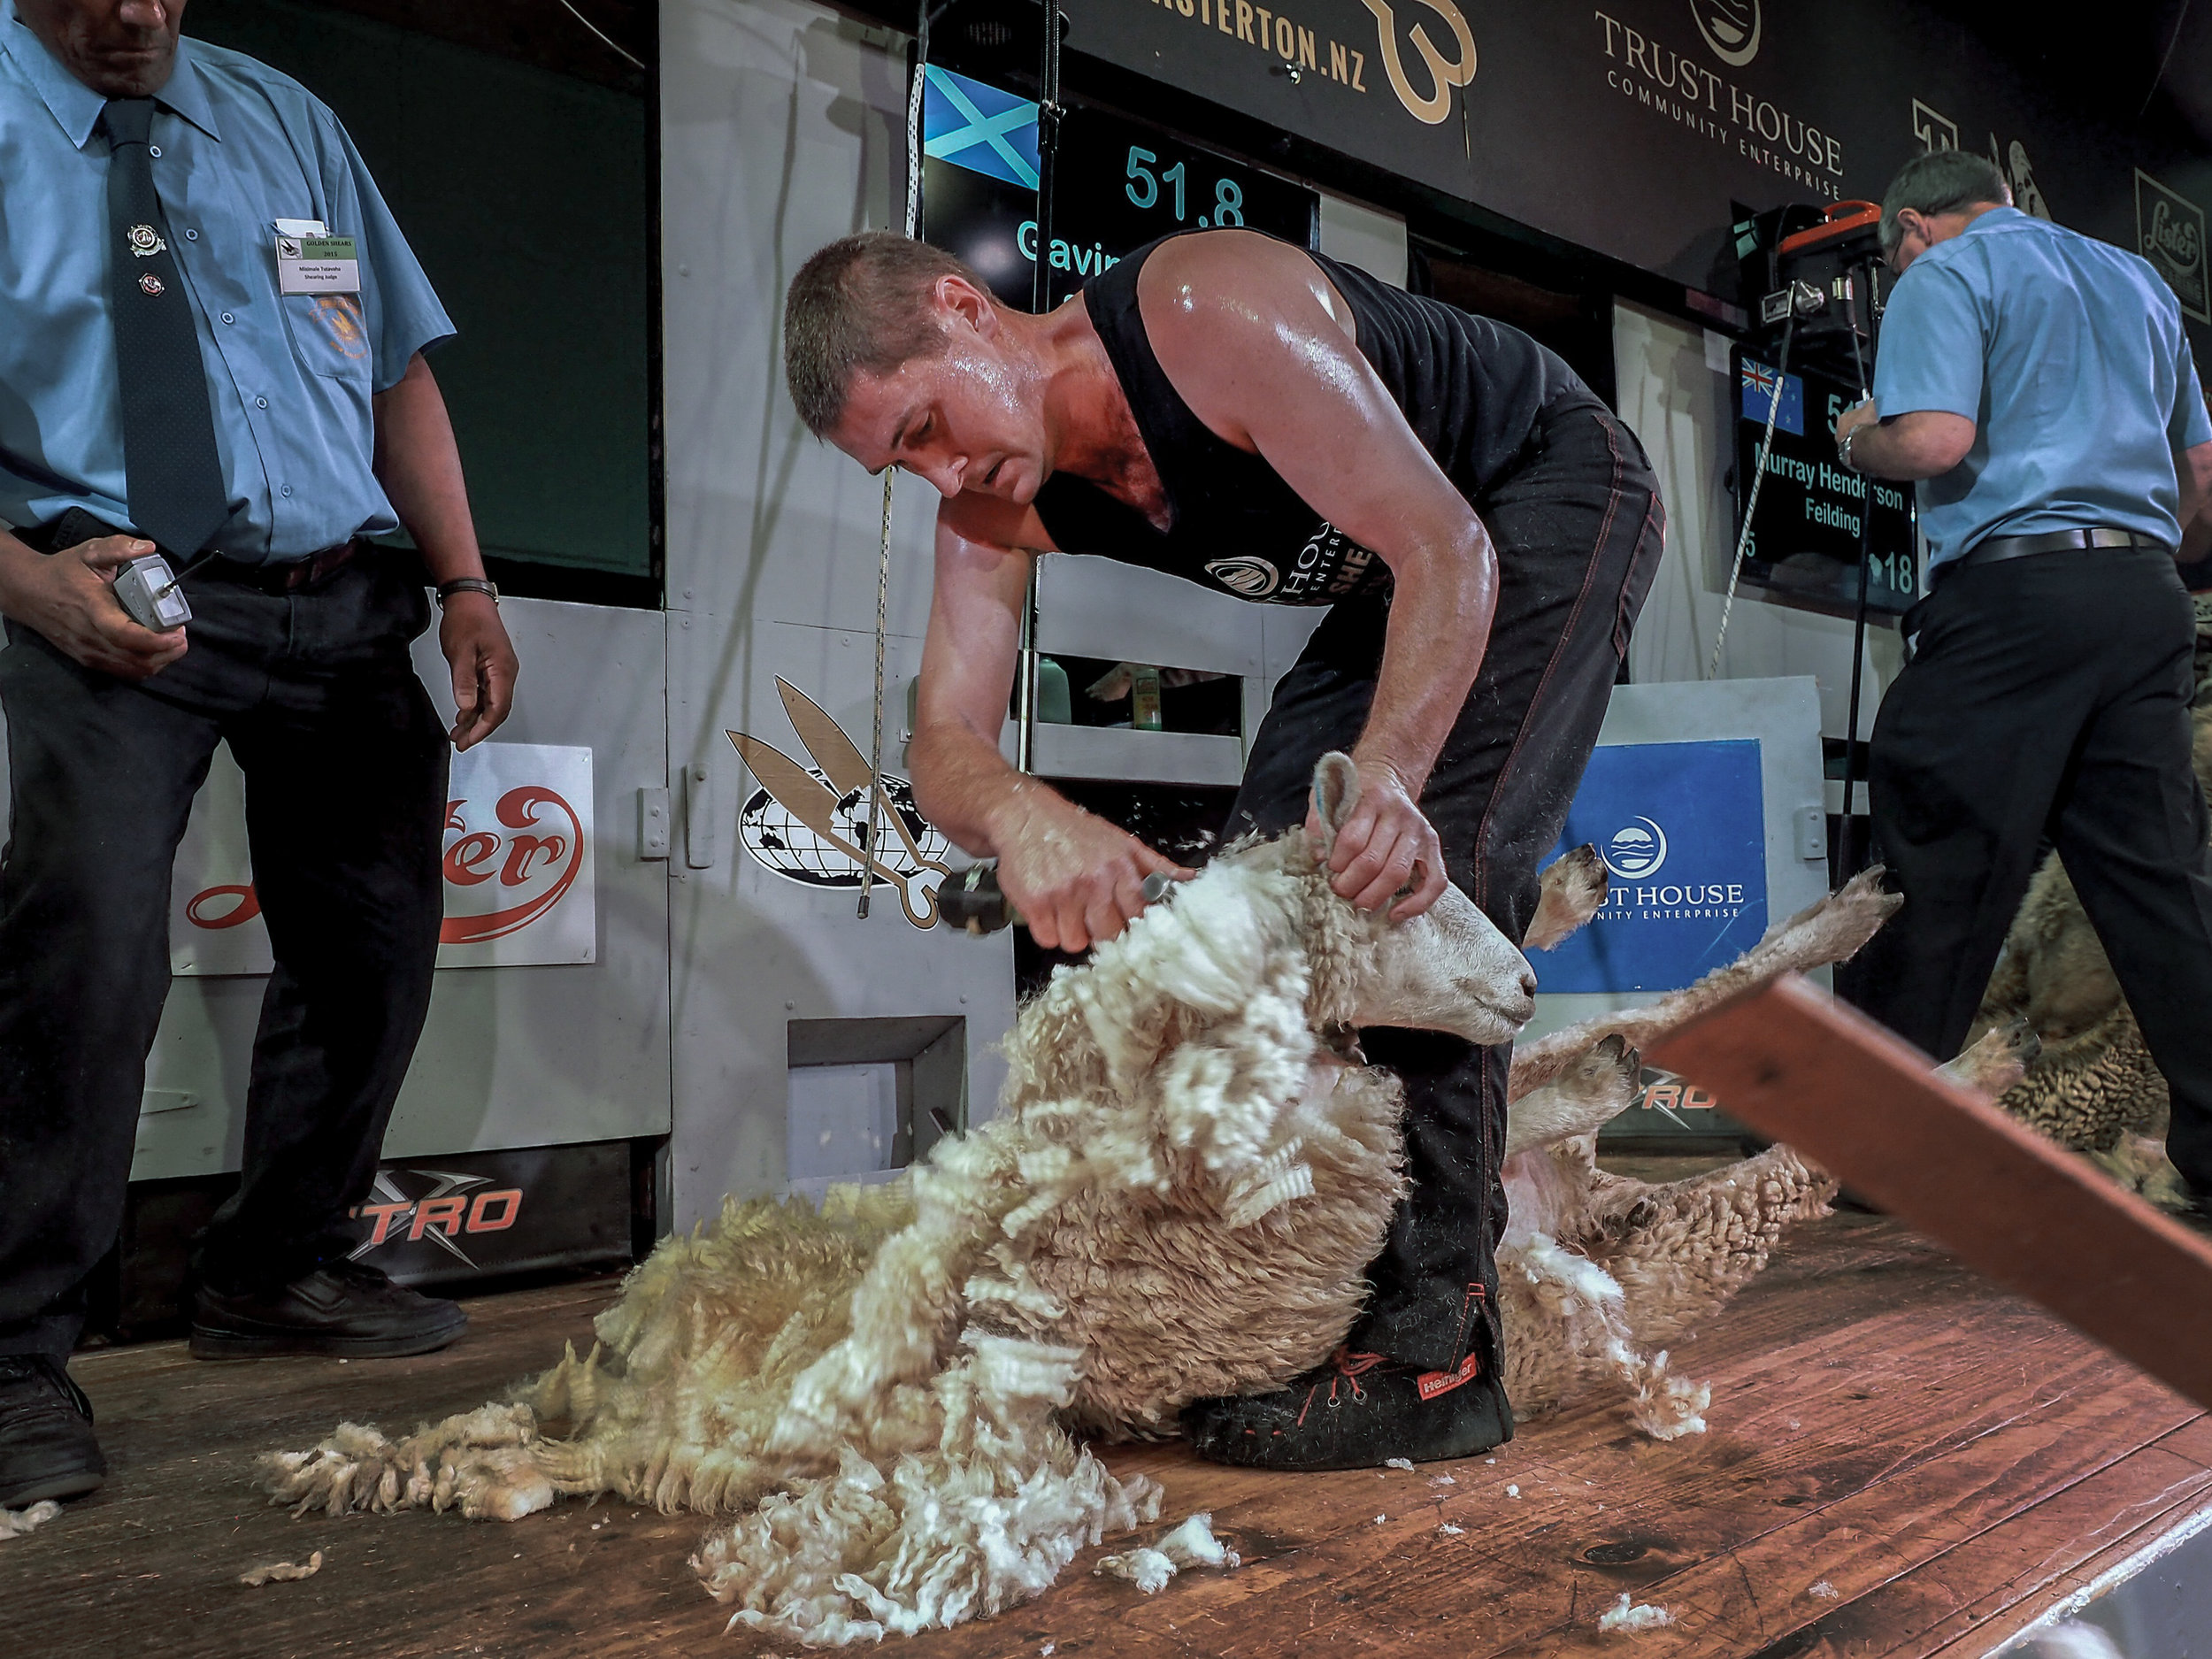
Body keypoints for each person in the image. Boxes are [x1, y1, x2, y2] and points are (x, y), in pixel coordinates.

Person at [782, 227, 1663, 1469]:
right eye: (899, 465)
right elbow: (942, 740)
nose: (939, 475)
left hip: (1539, 487)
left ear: (965, 306)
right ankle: (1321, 1303)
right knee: (1268, 890)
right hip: (1394, 582)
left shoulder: (1209, 318)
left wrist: (1397, 784)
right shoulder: (992, 503)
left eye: (925, 424)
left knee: (1399, 873)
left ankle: (1436, 1352)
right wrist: (1028, 813)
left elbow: (1447, 547)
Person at [0, 0, 519, 1509]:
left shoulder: (283, 119)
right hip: (98, 593)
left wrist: (466, 582)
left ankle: (274, 1272)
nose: (131, 17)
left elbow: (396, 375)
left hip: (339, 600)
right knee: (82, 957)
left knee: (371, 952)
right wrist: (30, 590)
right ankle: (17, 1356)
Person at [1834, 150, 2212, 1220]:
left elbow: (1934, 439)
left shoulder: (1943, 276)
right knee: (2158, 886)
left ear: (1914, 224)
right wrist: (2129, 564)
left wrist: (1858, 435)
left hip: (2012, 595)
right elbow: (2201, 479)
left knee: (1930, 855)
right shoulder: (2136, 280)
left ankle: (1870, 1149)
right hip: (2146, 595)